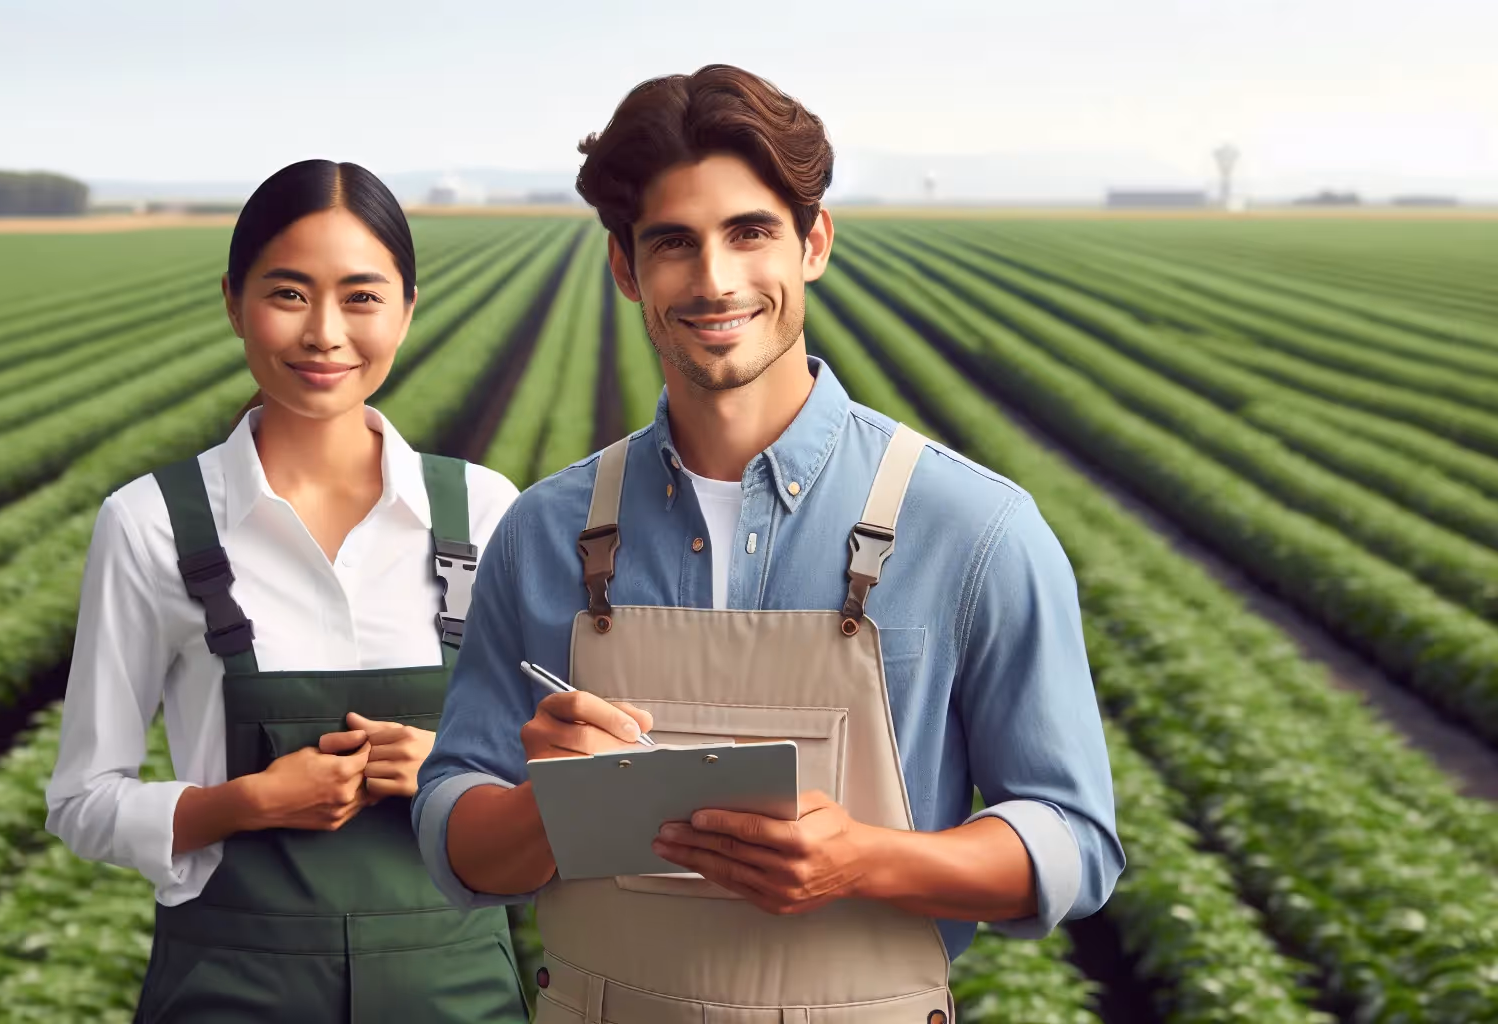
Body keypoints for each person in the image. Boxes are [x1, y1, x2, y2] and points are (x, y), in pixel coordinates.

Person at [411, 65, 1125, 1022]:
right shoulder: (545, 532)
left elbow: (1073, 840)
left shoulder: (975, 530)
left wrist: (868, 859)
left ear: (813, 243)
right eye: (674, 244)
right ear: (626, 269)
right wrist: (546, 805)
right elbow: (455, 827)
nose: (715, 280)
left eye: (750, 232)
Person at [44, 158, 531, 1023]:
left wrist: (452, 780)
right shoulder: (152, 523)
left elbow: (559, 778)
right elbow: (84, 800)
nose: (325, 333)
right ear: (234, 302)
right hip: (231, 990)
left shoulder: (486, 514)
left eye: (363, 296)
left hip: (456, 991)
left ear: (409, 310)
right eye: (290, 294)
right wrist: (249, 802)